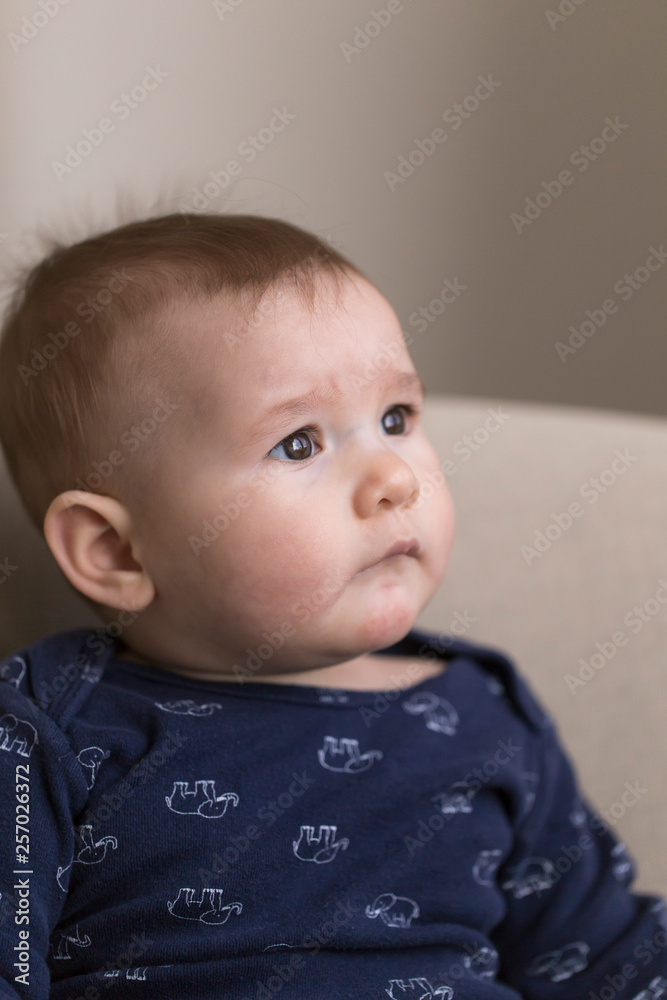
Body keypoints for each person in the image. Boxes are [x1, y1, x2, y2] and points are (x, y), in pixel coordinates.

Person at [0, 213, 664, 1000]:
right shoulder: (50, 725)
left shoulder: (481, 713)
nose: (394, 477)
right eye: (299, 443)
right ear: (117, 551)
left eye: (397, 419)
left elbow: (599, 957)